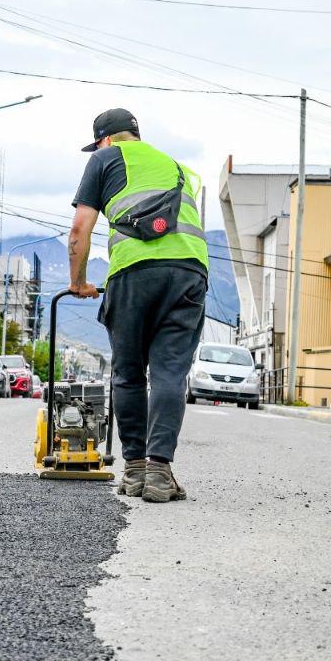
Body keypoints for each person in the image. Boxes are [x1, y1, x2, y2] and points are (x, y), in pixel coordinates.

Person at [67, 108, 207, 503]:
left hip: (134, 274)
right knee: (169, 373)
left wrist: (78, 282)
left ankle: (134, 470)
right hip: (190, 274)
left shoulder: (105, 158)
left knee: (129, 373)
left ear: (105, 139)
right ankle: (160, 472)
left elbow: (81, 227)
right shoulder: (178, 167)